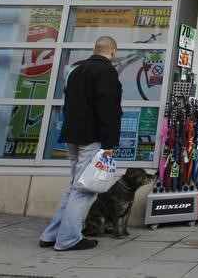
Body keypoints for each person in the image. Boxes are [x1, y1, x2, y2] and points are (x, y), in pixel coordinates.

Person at [39, 36, 122, 251]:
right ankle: (68, 239)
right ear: (112, 52)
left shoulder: (76, 71)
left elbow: (68, 105)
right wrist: (109, 143)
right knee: (84, 190)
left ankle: (51, 235)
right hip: (91, 138)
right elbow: (108, 111)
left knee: (75, 187)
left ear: (95, 49)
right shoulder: (107, 73)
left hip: (72, 136)